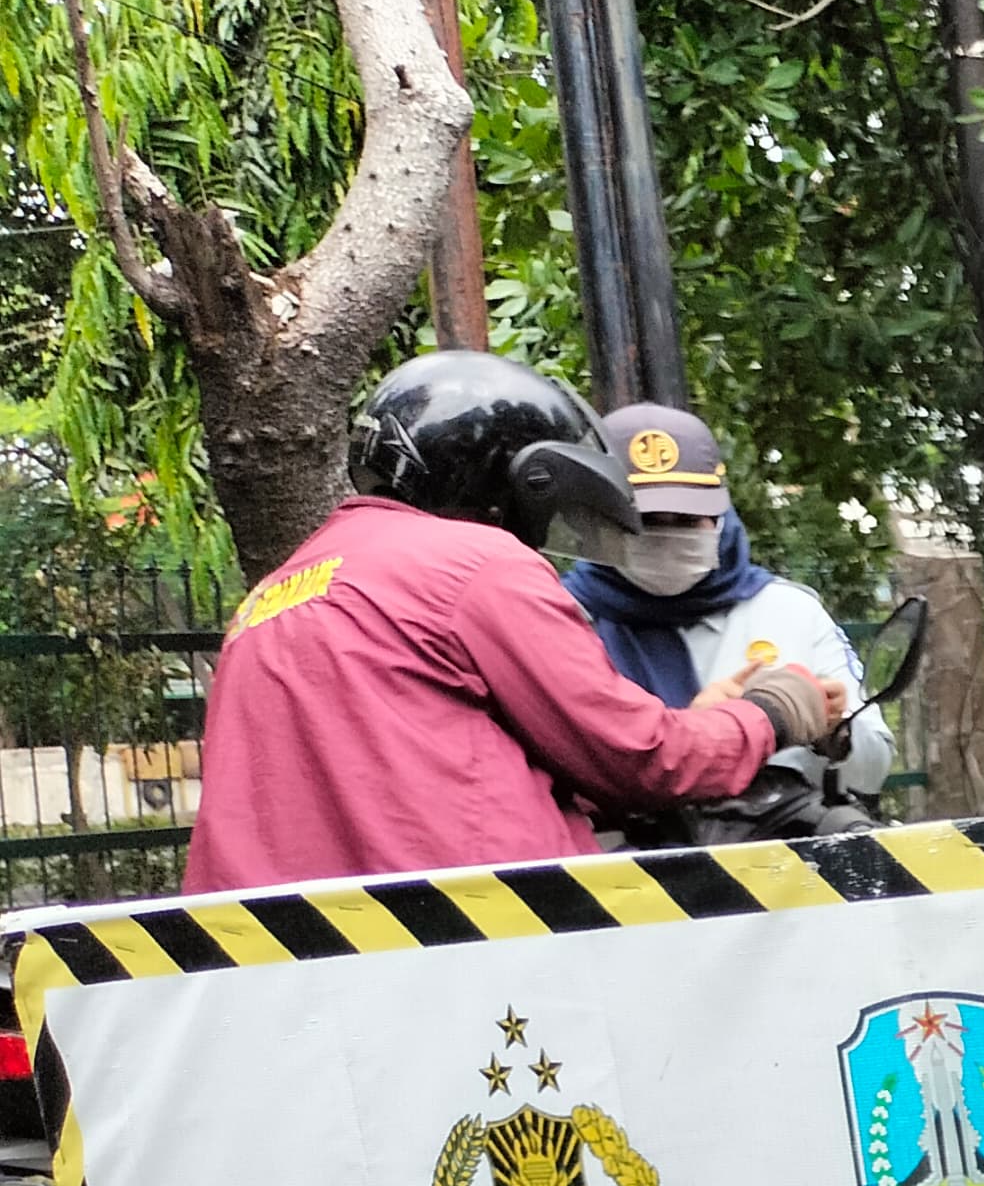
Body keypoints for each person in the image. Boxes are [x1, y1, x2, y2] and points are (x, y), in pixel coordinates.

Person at [186, 355, 848, 895]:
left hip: (280, 961)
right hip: (473, 939)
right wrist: (772, 712)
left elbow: (399, 773)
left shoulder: (271, 598)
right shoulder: (475, 563)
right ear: (511, 482)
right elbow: (639, 758)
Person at [560, 402, 892, 842]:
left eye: (685, 520)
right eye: (643, 522)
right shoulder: (562, 620)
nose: (665, 536)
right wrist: (697, 732)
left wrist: (834, 737)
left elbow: (874, 768)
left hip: (786, 878)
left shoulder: (788, 610)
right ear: (601, 519)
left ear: (719, 512)